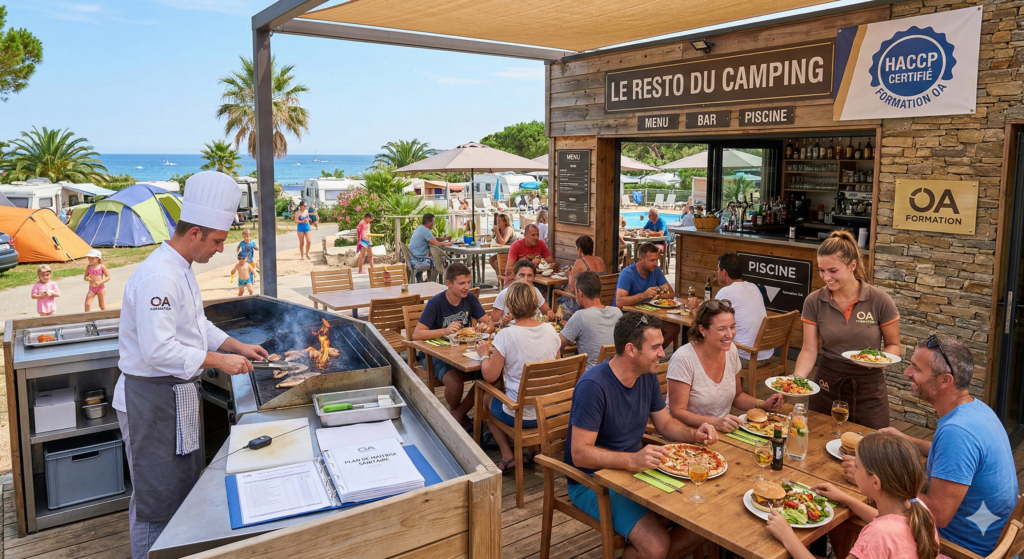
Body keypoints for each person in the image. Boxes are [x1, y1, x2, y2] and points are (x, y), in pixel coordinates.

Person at [114, 171, 268, 558]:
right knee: (155, 498)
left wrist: (239, 345)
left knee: (179, 490)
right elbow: (158, 350)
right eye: (217, 241)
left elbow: (196, 325)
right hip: (149, 400)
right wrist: (222, 361)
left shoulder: (181, 267)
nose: (220, 250)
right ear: (195, 233)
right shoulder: (158, 276)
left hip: (174, 396)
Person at [842, 336, 1018, 557]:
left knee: (846, 520)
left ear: (945, 381)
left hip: (960, 550)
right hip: (988, 538)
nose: (907, 372)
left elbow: (938, 514)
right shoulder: (976, 410)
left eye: (916, 368)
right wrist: (910, 441)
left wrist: (877, 480)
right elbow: (951, 454)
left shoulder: (957, 433)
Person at [566, 312, 718, 559]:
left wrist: (694, 434)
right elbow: (580, 454)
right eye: (656, 347)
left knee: (705, 517)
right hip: (592, 482)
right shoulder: (593, 386)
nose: (662, 353)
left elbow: (666, 424)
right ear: (631, 350)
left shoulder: (646, 375)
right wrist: (632, 461)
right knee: (657, 544)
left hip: (634, 472)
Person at [768, 432, 944, 559]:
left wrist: (788, 537)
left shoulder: (878, 534)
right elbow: (887, 523)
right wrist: (846, 498)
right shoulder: (919, 508)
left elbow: (883, 532)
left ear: (876, 482)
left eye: (857, 466)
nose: (853, 469)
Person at [793, 230, 900, 429]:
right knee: (818, 440)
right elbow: (809, 350)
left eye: (833, 270)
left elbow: (893, 345)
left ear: (852, 265)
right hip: (827, 383)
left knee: (871, 449)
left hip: (869, 387)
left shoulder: (880, 300)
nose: (826, 277)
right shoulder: (813, 301)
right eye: (821, 270)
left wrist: (880, 361)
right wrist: (797, 379)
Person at [475, 281, 561, 472]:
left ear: (511, 307)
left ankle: (507, 455)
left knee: (486, 398)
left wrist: (484, 356)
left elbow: (490, 376)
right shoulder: (551, 331)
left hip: (520, 414)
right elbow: (555, 370)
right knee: (529, 390)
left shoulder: (507, 335)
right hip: (548, 411)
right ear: (534, 304)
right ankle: (533, 449)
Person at [666, 299, 783, 432]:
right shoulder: (683, 358)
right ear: (702, 329)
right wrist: (715, 423)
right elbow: (678, 412)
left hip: (721, 432)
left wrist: (762, 404)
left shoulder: (730, 349)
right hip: (686, 435)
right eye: (722, 329)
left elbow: (737, 396)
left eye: (732, 327)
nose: (730, 334)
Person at [413, 263, 494, 426]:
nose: (467, 287)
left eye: (469, 282)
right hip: (435, 354)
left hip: (463, 352)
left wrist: (485, 327)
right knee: (455, 383)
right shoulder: (435, 303)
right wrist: (445, 331)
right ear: (449, 284)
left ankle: (457, 414)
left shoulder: (470, 298)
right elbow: (417, 335)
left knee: (490, 376)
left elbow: (489, 322)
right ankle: (459, 415)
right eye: (462, 283)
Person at [714, 252, 772, 368]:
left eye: (718, 269)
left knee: (710, 339)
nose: (717, 272)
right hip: (766, 354)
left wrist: (694, 308)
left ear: (724, 272)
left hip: (746, 355)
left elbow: (708, 319)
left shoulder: (726, 292)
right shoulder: (754, 287)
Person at [615, 243, 679, 348]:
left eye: (656, 260)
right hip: (628, 317)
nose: (655, 263)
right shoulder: (627, 273)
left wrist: (658, 295)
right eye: (651, 260)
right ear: (641, 260)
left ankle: (653, 355)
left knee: (674, 328)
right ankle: (648, 355)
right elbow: (619, 302)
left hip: (648, 314)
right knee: (646, 332)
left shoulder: (656, 270)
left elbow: (671, 293)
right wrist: (644, 295)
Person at [559, 271, 622, 369]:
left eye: (575, 292)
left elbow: (557, 346)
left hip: (591, 378)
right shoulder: (617, 313)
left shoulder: (580, 316)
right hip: (615, 374)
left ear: (580, 293)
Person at [556, 235, 608, 317]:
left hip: (584, 304)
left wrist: (569, 275)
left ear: (579, 250)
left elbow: (572, 288)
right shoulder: (600, 260)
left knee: (559, 300)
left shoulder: (580, 262)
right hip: (600, 301)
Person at [491, 260, 555, 324]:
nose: (525, 279)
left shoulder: (535, 292)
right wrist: (502, 323)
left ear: (534, 277)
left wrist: (549, 312)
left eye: (529, 275)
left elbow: (546, 311)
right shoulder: (504, 294)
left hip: (532, 329)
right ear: (514, 276)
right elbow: (492, 323)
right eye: (522, 275)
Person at [409, 213, 452, 281]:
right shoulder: (426, 231)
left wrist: (444, 239)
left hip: (412, 259)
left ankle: (428, 281)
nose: (434, 223)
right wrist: (448, 244)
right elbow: (436, 244)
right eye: (433, 222)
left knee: (433, 260)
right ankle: (431, 282)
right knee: (438, 262)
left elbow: (433, 239)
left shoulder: (420, 228)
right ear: (428, 222)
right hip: (418, 261)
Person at [488, 213, 517, 280]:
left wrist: (497, 231)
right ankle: (501, 277)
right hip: (505, 251)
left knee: (497, 263)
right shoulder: (500, 229)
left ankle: (502, 279)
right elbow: (498, 242)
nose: (498, 222)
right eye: (497, 220)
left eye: (500, 220)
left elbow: (503, 242)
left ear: (505, 222)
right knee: (491, 260)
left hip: (512, 252)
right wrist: (497, 232)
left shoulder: (508, 229)